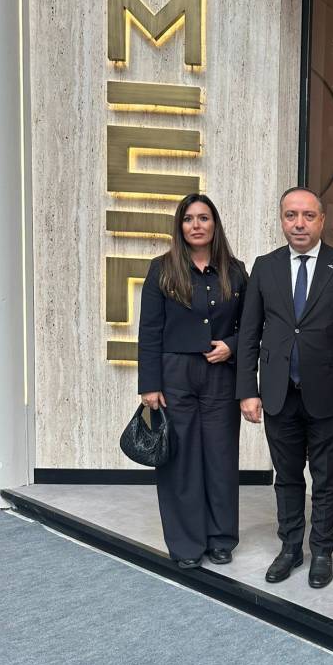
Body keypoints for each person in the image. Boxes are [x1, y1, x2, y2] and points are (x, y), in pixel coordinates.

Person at [236, 187, 333, 588]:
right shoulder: (265, 266)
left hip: (328, 395)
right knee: (288, 477)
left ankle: (322, 551)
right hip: (278, 393)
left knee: (326, 480)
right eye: (291, 215)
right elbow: (249, 333)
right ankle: (290, 547)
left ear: (322, 221)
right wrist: (248, 389)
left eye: (308, 215)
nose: (299, 223)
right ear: (281, 220)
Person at [138, 193, 247, 569]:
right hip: (175, 376)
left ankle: (221, 538)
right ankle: (186, 543)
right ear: (180, 226)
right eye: (188, 219)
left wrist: (232, 346)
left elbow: (252, 325)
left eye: (203, 218)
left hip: (221, 376)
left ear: (215, 224)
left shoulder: (235, 271)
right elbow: (149, 330)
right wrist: (149, 384)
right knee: (180, 460)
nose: (196, 225)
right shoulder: (161, 270)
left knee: (221, 457)